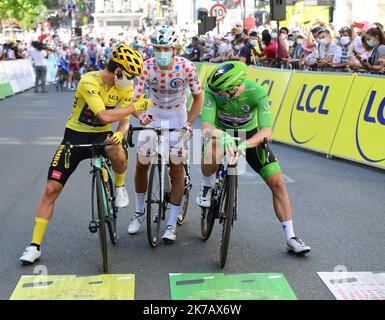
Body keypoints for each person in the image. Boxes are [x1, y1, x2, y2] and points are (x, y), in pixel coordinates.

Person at [19, 45, 151, 264]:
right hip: (75, 137)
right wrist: (134, 107)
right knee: (51, 189)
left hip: (102, 137)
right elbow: (104, 115)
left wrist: (120, 134)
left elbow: (123, 123)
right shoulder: (88, 81)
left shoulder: (126, 89)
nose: (132, 82)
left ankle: (119, 187)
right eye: (130, 76)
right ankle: (34, 246)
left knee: (117, 147)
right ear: (118, 71)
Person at [196, 61, 311, 255]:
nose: (218, 95)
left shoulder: (257, 92)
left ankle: (291, 236)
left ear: (237, 87)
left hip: (249, 137)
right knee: (211, 151)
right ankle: (207, 186)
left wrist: (245, 144)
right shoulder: (213, 90)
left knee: (278, 183)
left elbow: (266, 131)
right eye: (215, 91)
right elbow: (206, 126)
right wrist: (223, 136)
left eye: (223, 92)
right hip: (221, 132)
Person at [127, 25, 204, 242]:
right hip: (153, 113)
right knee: (142, 163)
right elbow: (135, 98)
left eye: (165, 48)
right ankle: (139, 211)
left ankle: (170, 224)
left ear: (174, 49)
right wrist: (141, 117)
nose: (160, 53)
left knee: (176, 167)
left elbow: (198, 97)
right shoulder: (145, 67)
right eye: (157, 48)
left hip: (177, 115)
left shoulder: (187, 67)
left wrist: (189, 123)